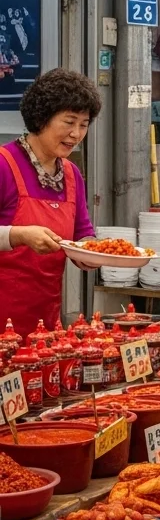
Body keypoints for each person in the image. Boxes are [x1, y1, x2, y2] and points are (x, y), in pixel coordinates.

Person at [0, 69, 102, 331]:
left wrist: (92, 252)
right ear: (42, 117)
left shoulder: (71, 174)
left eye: (84, 124)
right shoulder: (4, 165)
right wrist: (19, 235)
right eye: (69, 122)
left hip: (45, 323)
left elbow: (82, 234)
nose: (77, 134)